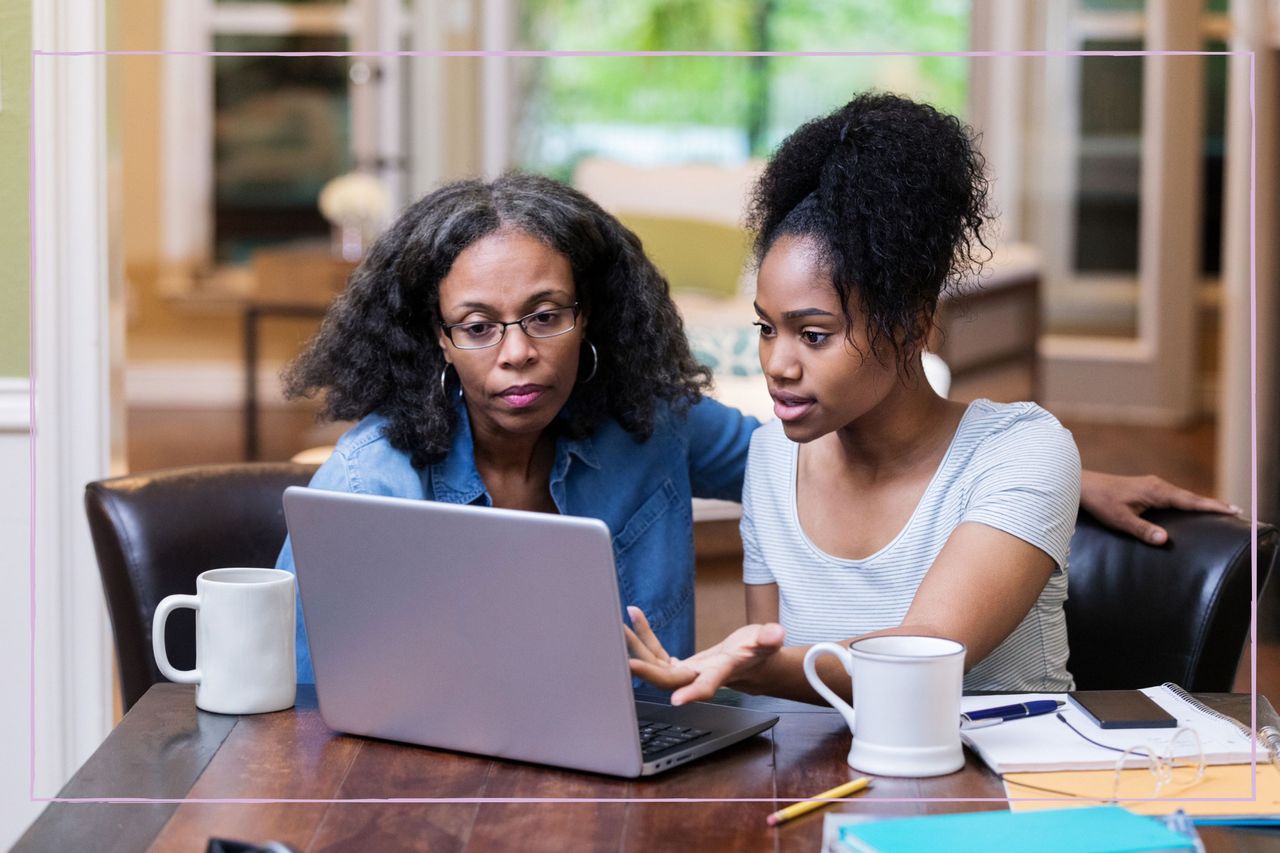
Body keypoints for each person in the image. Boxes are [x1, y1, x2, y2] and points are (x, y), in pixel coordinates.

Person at [277, 172, 1234, 684]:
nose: (517, 353)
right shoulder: (373, 481)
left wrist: (1061, 477)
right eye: (478, 327)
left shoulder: (647, 424)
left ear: (591, 317)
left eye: (547, 314)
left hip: (659, 762)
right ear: (436, 338)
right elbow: (304, 691)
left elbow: (826, 446)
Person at [624, 92, 1203, 704]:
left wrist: (745, 669)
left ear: (913, 322)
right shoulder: (771, 457)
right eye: (766, 328)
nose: (778, 364)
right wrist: (756, 674)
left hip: (1004, 790)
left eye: (814, 334)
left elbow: (929, 651)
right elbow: (782, 695)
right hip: (835, 788)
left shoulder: (1026, 450)